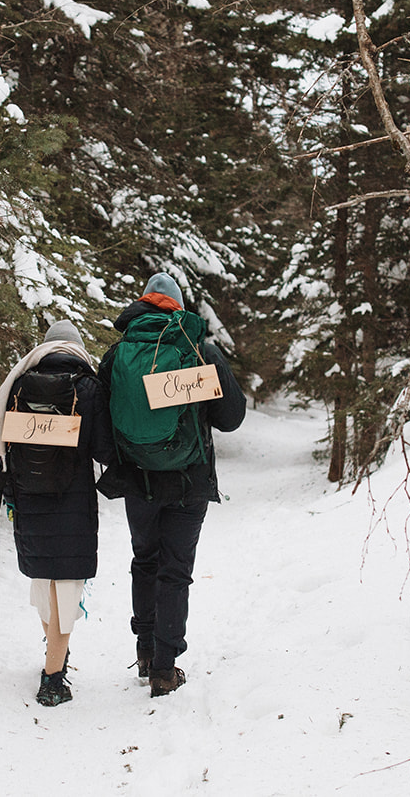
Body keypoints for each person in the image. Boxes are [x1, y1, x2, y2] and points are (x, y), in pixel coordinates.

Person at [95, 273, 245, 697]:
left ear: (142, 303)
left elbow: (103, 431)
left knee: (144, 561)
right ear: (178, 306)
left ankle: (144, 651)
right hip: (189, 479)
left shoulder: (117, 353)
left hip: (138, 479)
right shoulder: (198, 349)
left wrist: (127, 455)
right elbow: (231, 418)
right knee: (175, 571)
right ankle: (164, 669)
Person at [0, 320, 109, 707]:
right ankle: (53, 678)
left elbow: (9, 445)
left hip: (30, 501)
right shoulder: (88, 388)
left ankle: (54, 655)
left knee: (43, 582)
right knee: (67, 589)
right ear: (78, 350)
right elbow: (102, 450)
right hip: (73, 503)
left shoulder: (18, 385)